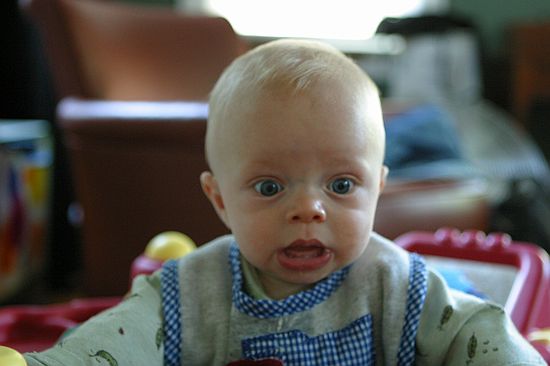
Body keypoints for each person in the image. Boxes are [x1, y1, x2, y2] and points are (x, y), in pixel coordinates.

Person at [23, 39, 545, 365]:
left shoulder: (395, 283)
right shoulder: (190, 291)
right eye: (271, 188)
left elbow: (477, 332)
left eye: (341, 186)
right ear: (220, 199)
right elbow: (117, 342)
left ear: (377, 189)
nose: (309, 210)